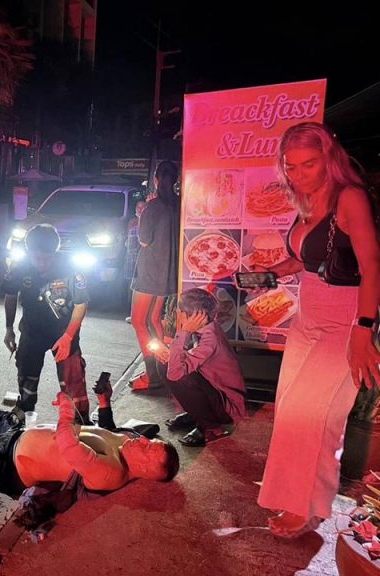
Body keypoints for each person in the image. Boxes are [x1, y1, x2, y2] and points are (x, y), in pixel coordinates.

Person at [256, 122, 380, 538]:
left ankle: (306, 505)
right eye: (290, 166)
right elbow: (309, 259)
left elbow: (372, 265)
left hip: (345, 317)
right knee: (291, 410)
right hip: (308, 316)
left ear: (329, 157)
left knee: (314, 416)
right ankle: (292, 494)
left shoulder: (350, 196)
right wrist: (271, 273)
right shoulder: (308, 200)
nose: (299, 174)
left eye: (308, 164)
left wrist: (363, 330)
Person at [0, 392, 180, 497]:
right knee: (0, 418)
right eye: (150, 441)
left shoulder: (109, 473)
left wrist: (67, 409)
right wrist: (104, 401)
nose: (142, 441)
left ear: (144, 469)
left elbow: (68, 446)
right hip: (20, 436)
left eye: (147, 448)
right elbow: (107, 431)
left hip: (8, 462)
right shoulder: (128, 442)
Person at [3, 223, 92, 422]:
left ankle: (79, 420)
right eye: (37, 258)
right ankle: (24, 412)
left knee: (72, 380)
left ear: (55, 251)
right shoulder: (19, 266)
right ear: (29, 252)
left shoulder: (72, 268)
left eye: (47, 258)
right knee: (26, 375)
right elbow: (10, 295)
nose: (42, 263)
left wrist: (68, 337)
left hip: (64, 333)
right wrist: (9, 328)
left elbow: (81, 304)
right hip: (31, 331)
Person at [150, 288, 246, 447]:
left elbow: (175, 374)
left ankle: (212, 428)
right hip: (214, 393)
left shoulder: (210, 339)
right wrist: (169, 352)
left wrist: (184, 332)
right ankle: (195, 413)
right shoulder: (206, 328)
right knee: (164, 363)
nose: (177, 313)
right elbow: (186, 357)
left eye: (179, 310)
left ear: (187, 316)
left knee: (180, 376)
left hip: (227, 408)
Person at [129, 160, 180, 390]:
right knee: (154, 319)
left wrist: (142, 214)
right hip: (168, 272)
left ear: (156, 180)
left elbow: (143, 240)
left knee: (139, 321)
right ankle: (163, 368)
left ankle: (152, 375)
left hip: (150, 271)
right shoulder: (178, 204)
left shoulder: (153, 206)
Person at [124, 200, 146, 321]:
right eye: (138, 207)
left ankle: (139, 314)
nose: (139, 209)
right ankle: (131, 312)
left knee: (139, 286)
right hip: (130, 257)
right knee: (131, 286)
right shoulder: (132, 221)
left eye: (142, 207)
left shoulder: (148, 221)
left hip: (142, 257)